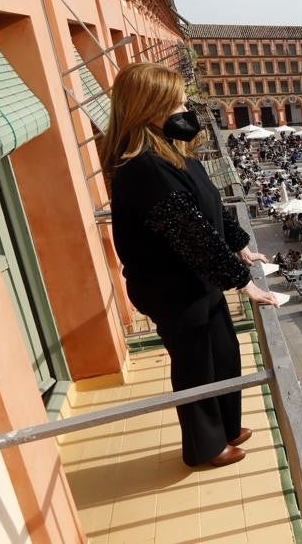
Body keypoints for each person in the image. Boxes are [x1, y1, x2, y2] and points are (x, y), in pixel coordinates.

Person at [104, 63, 277, 468]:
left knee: (224, 350)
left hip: (197, 281)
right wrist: (243, 283)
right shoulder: (144, 168)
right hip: (172, 288)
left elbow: (209, 205)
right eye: (177, 102)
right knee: (197, 362)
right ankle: (204, 446)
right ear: (149, 108)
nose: (186, 108)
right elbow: (189, 232)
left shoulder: (172, 154)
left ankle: (227, 427)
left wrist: (239, 247)